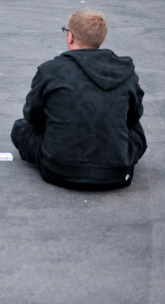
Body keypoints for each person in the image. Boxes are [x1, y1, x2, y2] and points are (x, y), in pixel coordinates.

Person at [11, 10, 147, 190]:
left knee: (21, 128)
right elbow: (134, 115)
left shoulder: (50, 70)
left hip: (58, 170)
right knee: (134, 126)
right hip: (117, 173)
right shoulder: (126, 72)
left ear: (70, 36)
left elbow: (32, 115)